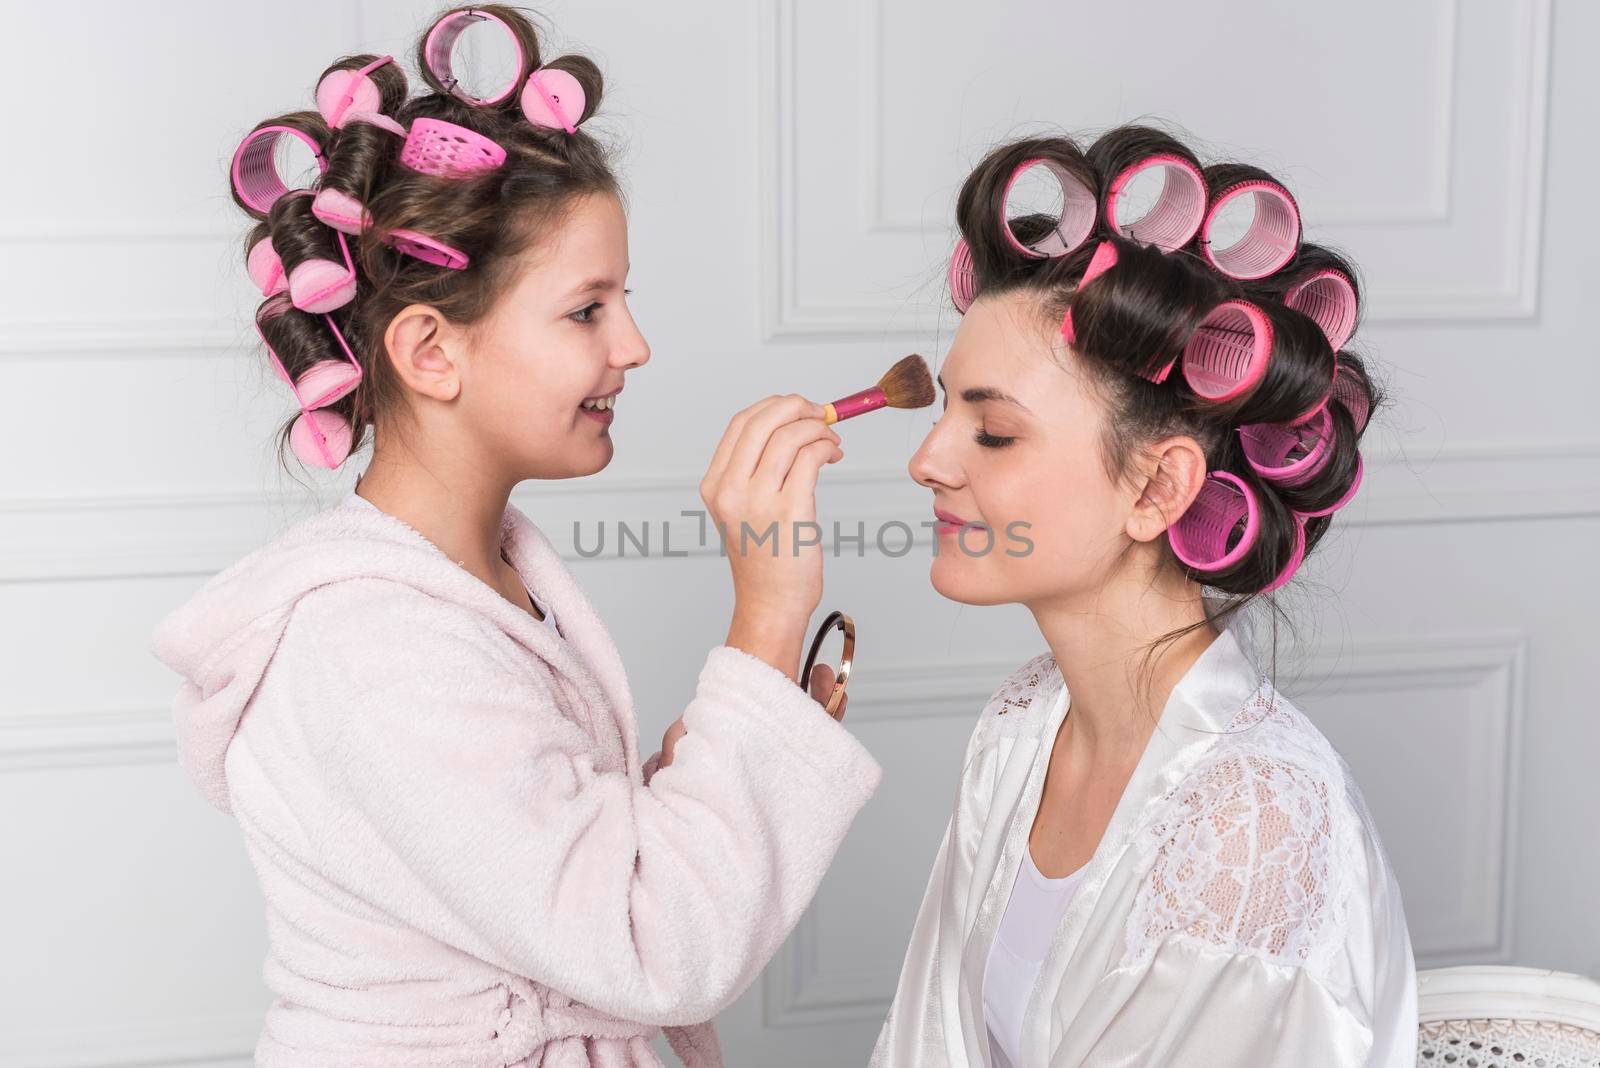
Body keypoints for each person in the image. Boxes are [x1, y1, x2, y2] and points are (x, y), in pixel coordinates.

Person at [151, 6, 879, 1065]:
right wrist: (768, 616)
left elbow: (558, 883)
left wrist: (668, 800)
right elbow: (653, 948)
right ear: (431, 352)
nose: (633, 344)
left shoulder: (483, 579)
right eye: (587, 309)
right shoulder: (372, 648)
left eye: (622, 300)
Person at [871, 126, 1416, 1066]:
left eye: (992, 432)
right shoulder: (1022, 726)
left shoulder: (1253, 824)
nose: (927, 460)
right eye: (945, 410)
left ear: (1158, 488)